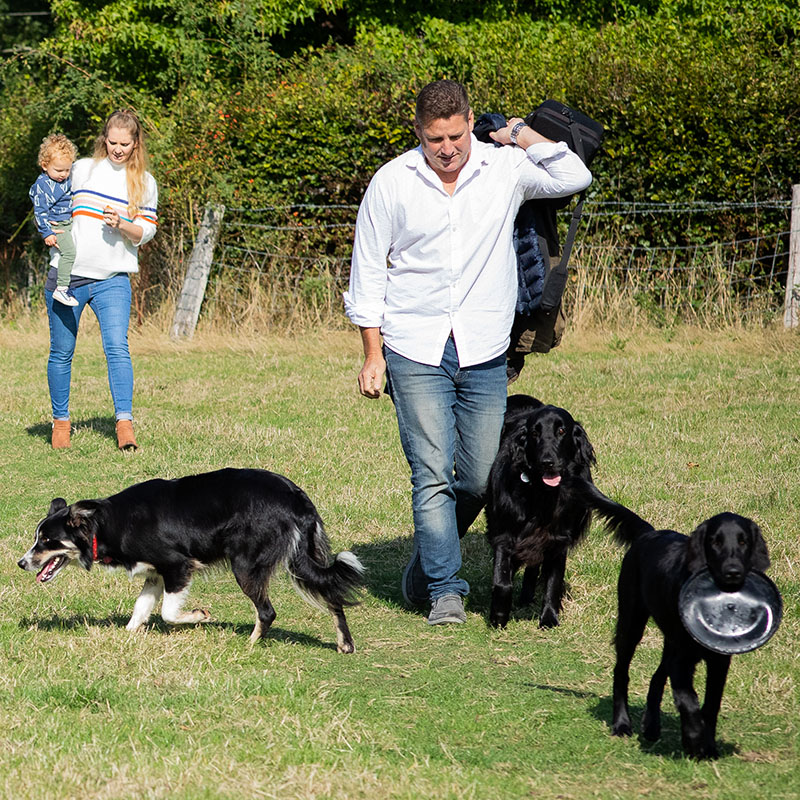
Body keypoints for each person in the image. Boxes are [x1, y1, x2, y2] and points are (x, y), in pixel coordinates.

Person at [344, 80, 591, 625]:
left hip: (483, 347)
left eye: (456, 135)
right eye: (435, 139)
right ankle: (446, 590)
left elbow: (575, 174)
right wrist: (372, 353)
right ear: (418, 133)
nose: (448, 148)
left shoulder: (503, 167)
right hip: (413, 344)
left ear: (469, 122)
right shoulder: (391, 182)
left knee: (480, 476)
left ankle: (424, 565)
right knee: (430, 470)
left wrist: (519, 134)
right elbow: (366, 274)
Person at [46, 109, 158, 451]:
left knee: (117, 349)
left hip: (113, 278)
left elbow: (147, 231)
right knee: (62, 352)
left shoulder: (144, 182)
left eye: (125, 143)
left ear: (135, 143)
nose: (118, 149)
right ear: (103, 140)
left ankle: (124, 424)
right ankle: (61, 422)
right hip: (68, 278)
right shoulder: (82, 169)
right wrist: (47, 227)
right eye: (112, 142)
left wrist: (122, 224)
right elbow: (48, 194)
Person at [30, 134, 79, 307]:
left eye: (67, 170)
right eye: (59, 170)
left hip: (68, 220)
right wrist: (47, 232)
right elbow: (40, 211)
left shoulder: (66, 179)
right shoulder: (43, 185)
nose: (63, 174)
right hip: (58, 226)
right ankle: (62, 288)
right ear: (45, 165)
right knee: (69, 253)